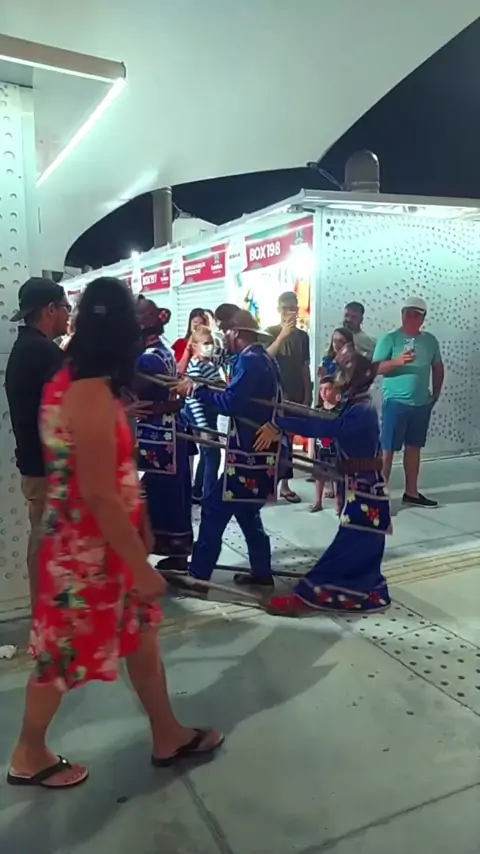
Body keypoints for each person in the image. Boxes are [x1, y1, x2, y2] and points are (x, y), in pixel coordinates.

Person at [7, 277, 223, 790]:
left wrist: (138, 522)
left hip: (97, 545)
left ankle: (167, 732)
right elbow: (99, 492)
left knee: (141, 640)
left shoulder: (79, 382)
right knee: (60, 656)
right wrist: (137, 565)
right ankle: (29, 754)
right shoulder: (88, 393)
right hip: (87, 554)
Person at [255, 352, 392, 616]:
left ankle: (312, 594)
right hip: (363, 489)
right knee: (360, 548)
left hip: (365, 492)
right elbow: (324, 421)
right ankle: (362, 591)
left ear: (355, 379)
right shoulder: (357, 403)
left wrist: (280, 422)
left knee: (348, 547)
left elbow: (326, 428)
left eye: (343, 371)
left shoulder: (361, 410)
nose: (337, 376)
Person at [172, 310, 281, 591]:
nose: (224, 338)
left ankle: (198, 575)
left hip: (247, 455)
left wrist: (197, 391)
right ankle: (261, 571)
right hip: (258, 454)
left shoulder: (249, 360)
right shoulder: (265, 358)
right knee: (247, 511)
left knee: (214, 509)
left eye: (226, 332)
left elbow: (232, 403)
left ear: (236, 333)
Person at [5, 277, 70, 607]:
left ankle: (44, 617)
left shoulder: (25, 348)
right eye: (66, 307)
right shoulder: (44, 353)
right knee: (52, 546)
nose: (69, 315)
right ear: (50, 309)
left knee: (43, 541)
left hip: (35, 467)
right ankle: (50, 619)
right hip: (49, 470)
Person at [136, 300, 194, 570]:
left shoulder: (146, 359)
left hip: (158, 436)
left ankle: (143, 551)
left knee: (154, 496)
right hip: (169, 431)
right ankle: (177, 552)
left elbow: (133, 390)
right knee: (172, 495)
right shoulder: (163, 352)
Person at [373, 296, 444, 507]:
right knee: (387, 450)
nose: (411, 317)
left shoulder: (430, 341)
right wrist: (397, 361)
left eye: (416, 314)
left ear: (423, 317)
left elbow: (438, 367)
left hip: (421, 404)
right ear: (402, 314)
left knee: (414, 448)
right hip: (395, 403)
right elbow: (375, 368)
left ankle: (411, 493)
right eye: (408, 313)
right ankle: (379, 495)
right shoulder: (390, 339)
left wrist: (436, 394)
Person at [266, 291, 312, 503]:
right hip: (274, 395)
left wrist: (307, 395)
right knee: (273, 439)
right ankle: (269, 486)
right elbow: (265, 358)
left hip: (295, 394)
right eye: (285, 308)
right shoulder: (269, 332)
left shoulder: (303, 336)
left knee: (290, 442)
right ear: (279, 309)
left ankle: (284, 485)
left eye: (293, 308)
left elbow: (304, 366)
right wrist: (283, 334)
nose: (289, 312)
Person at [184, 325, 223, 502]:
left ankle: (198, 490)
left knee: (207, 453)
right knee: (212, 455)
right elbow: (193, 400)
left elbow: (225, 357)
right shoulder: (196, 367)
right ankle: (209, 497)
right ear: (194, 346)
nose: (210, 347)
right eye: (206, 343)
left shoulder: (209, 362)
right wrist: (203, 427)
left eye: (212, 343)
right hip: (200, 414)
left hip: (209, 413)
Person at [309, 376, 342, 514]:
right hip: (320, 450)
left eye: (327, 389)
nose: (323, 392)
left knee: (337, 478)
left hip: (336, 451)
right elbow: (312, 431)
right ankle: (318, 501)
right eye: (321, 389)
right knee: (319, 476)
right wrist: (311, 451)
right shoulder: (317, 410)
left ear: (336, 392)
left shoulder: (340, 411)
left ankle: (338, 504)